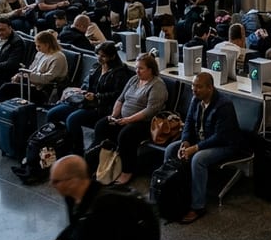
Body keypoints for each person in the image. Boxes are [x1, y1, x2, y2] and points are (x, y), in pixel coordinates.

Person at [35, 155, 160, 240]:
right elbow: (77, 225)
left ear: (72, 181)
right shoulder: (72, 197)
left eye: (56, 181)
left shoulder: (107, 207)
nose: (51, 185)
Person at [163, 71, 242, 223]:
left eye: (198, 87)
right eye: (193, 86)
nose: (194, 90)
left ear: (210, 88)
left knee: (198, 159)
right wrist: (185, 142)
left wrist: (195, 148)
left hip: (225, 145)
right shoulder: (196, 99)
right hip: (201, 140)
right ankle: (170, 195)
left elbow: (220, 136)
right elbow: (188, 122)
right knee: (171, 150)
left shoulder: (224, 105)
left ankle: (198, 207)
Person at [91, 53, 168, 185]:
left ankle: (127, 170)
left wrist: (128, 120)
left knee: (126, 135)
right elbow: (121, 99)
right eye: (136, 68)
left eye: (141, 68)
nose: (137, 71)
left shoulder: (157, 85)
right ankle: (101, 162)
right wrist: (114, 116)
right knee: (102, 125)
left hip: (145, 122)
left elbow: (150, 111)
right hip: (124, 118)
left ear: (150, 69)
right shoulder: (134, 80)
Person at [0, 30, 68, 126]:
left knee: (7, 88)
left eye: (39, 46)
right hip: (32, 84)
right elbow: (31, 69)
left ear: (47, 44)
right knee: (8, 88)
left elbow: (47, 79)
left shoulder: (58, 58)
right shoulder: (41, 53)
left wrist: (25, 75)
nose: (37, 48)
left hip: (43, 91)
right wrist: (20, 76)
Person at [45, 42, 131, 156]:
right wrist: (82, 91)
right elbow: (87, 84)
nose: (99, 58)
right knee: (53, 113)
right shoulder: (96, 67)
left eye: (103, 56)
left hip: (101, 107)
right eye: (98, 55)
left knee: (72, 120)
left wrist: (97, 96)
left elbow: (118, 95)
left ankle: (77, 151)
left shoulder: (119, 73)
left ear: (112, 56)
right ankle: (60, 144)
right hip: (85, 101)